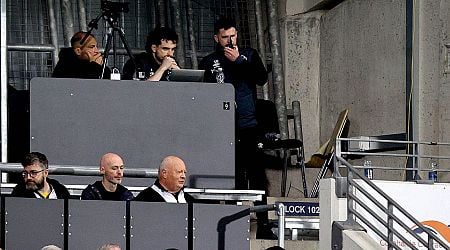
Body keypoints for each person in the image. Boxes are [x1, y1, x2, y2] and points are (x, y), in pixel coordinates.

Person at [199, 17, 274, 239]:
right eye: (224, 37)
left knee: (258, 175)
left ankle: (263, 224)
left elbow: (261, 79)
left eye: (233, 35)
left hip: (249, 125)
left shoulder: (249, 55)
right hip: (223, 128)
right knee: (234, 176)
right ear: (216, 38)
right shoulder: (210, 61)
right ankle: (234, 223)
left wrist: (240, 61)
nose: (230, 40)